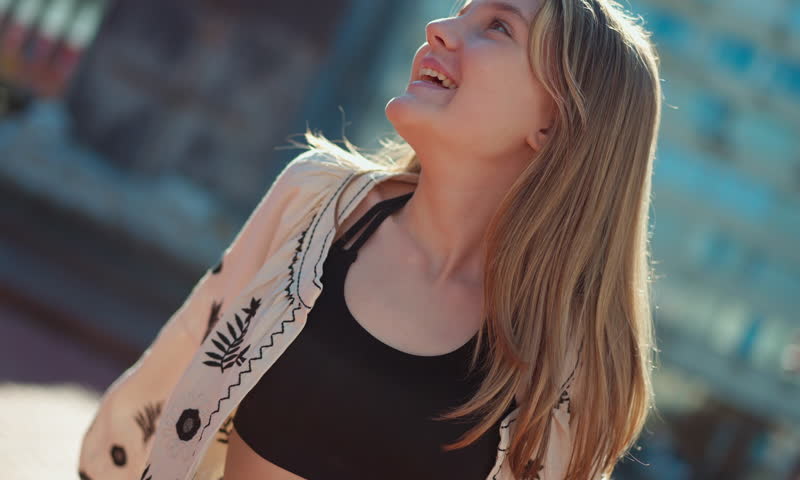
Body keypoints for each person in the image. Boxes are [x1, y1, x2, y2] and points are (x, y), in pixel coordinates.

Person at [78, 0, 661, 479]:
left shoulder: (567, 365)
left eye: (498, 27)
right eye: (459, 11)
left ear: (554, 121)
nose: (441, 28)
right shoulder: (314, 201)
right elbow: (174, 368)